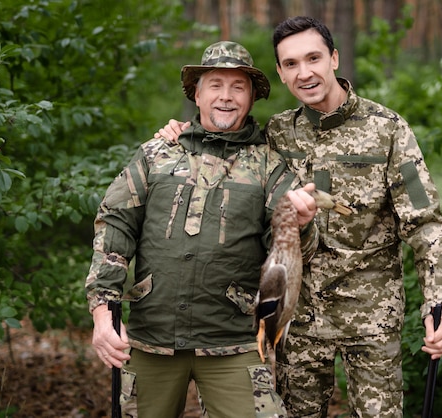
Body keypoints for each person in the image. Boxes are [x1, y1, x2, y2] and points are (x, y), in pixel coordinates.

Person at [156, 16, 442, 418]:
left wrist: (440, 305)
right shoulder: (275, 134)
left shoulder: (389, 131)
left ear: (334, 58)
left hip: (371, 318)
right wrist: (182, 134)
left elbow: (425, 224)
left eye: (314, 58)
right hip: (298, 319)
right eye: (291, 64)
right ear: (282, 74)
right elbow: (221, 142)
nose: (305, 72)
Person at [84, 40, 322, 418]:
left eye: (238, 87)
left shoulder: (269, 167)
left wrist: (301, 225)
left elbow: (288, 252)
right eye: (215, 84)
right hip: (152, 340)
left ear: (251, 98)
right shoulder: (156, 155)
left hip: (233, 342)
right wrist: (101, 312)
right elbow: (115, 225)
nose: (225, 97)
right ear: (196, 93)